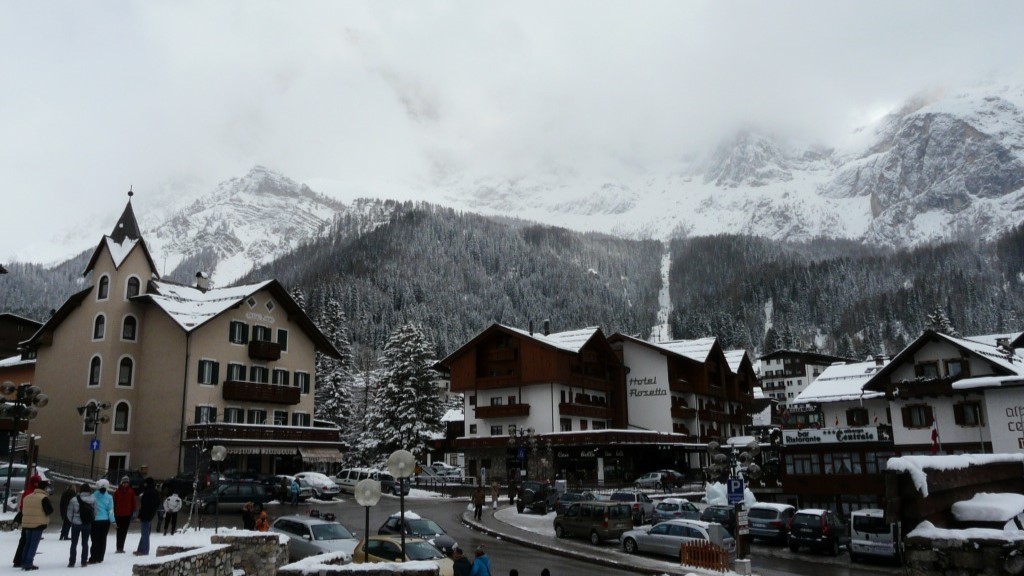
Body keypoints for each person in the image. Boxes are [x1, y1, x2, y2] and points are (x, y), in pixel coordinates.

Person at [19, 478, 54, 570]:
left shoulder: (28, 497)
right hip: (38, 524)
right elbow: (49, 510)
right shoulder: (43, 498)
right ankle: (29, 563)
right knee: (33, 544)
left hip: (27, 523)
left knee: (27, 543)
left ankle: (23, 561)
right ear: (44, 488)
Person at [11, 473, 40, 567]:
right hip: (29, 518)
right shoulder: (32, 493)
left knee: (24, 539)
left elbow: (22, 506)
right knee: (25, 539)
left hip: (25, 517)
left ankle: (19, 559)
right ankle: (21, 559)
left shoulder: (27, 492)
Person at [67, 482, 95, 567]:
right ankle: (84, 561)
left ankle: (72, 562)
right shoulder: (93, 499)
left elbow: (69, 512)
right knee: (85, 543)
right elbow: (95, 512)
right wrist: (90, 520)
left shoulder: (74, 499)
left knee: (74, 543)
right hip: (87, 524)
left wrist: (72, 520)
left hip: (76, 523)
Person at [89, 478, 115, 564]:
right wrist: (113, 521)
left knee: (94, 539)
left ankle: (93, 557)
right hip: (105, 521)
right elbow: (110, 510)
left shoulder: (93, 496)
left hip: (95, 521)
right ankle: (100, 557)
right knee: (103, 539)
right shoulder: (109, 497)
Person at [113, 475, 139, 553]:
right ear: (121, 483)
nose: (125, 484)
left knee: (124, 532)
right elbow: (114, 502)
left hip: (127, 515)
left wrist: (134, 511)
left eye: (127, 482)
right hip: (118, 515)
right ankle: (118, 547)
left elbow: (134, 502)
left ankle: (121, 547)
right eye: (124, 482)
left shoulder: (131, 492)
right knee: (119, 531)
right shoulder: (117, 492)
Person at [134, 477, 160, 556]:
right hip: (151, 514)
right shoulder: (155, 491)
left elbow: (144, 505)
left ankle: (144, 551)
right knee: (146, 532)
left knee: (145, 533)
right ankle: (140, 549)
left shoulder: (148, 492)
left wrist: (139, 516)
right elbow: (158, 502)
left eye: (145, 483)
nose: (144, 484)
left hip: (145, 515)